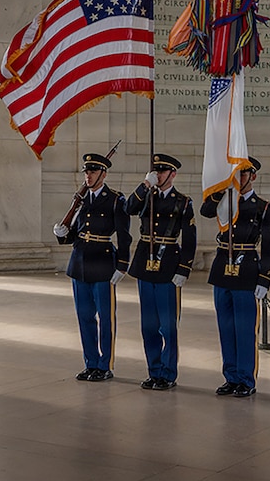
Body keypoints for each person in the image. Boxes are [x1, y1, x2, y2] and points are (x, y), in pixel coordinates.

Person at [200, 156, 270, 398]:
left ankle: (246, 379)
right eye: (235, 174)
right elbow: (205, 211)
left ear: (253, 176)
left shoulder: (263, 207)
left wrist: (265, 278)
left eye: (243, 174)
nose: (239, 178)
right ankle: (230, 376)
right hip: (223, 268)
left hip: (246, 270)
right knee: (226, 328)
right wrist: (222, 188)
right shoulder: (225, 202)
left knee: (244, 330)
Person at [53, 153, 132, 382]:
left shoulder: (116, 200)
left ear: (103, 174)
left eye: (93, 172)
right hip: (79, 264)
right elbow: (75, 233)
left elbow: (124, 236)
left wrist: (122, 265)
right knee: (84, 317)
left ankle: (104, 365)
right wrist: (61, 235)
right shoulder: (80, 199)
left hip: (103, 263)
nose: (88, 176)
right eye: (86, 172)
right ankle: (90, 363)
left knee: (106, 319)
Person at [125, 153, 197, 391]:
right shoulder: (146, 196)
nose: (158, 175)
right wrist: (145, 185)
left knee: (167, 325)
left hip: (168, 265)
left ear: (173, 174)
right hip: (145, 263)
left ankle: (168, 373)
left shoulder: (183, 202)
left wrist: (184, 269)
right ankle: (154, 371)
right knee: (148, 325)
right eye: (155, 172)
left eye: (162, 172)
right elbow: (128, 208)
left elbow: (190, 239)